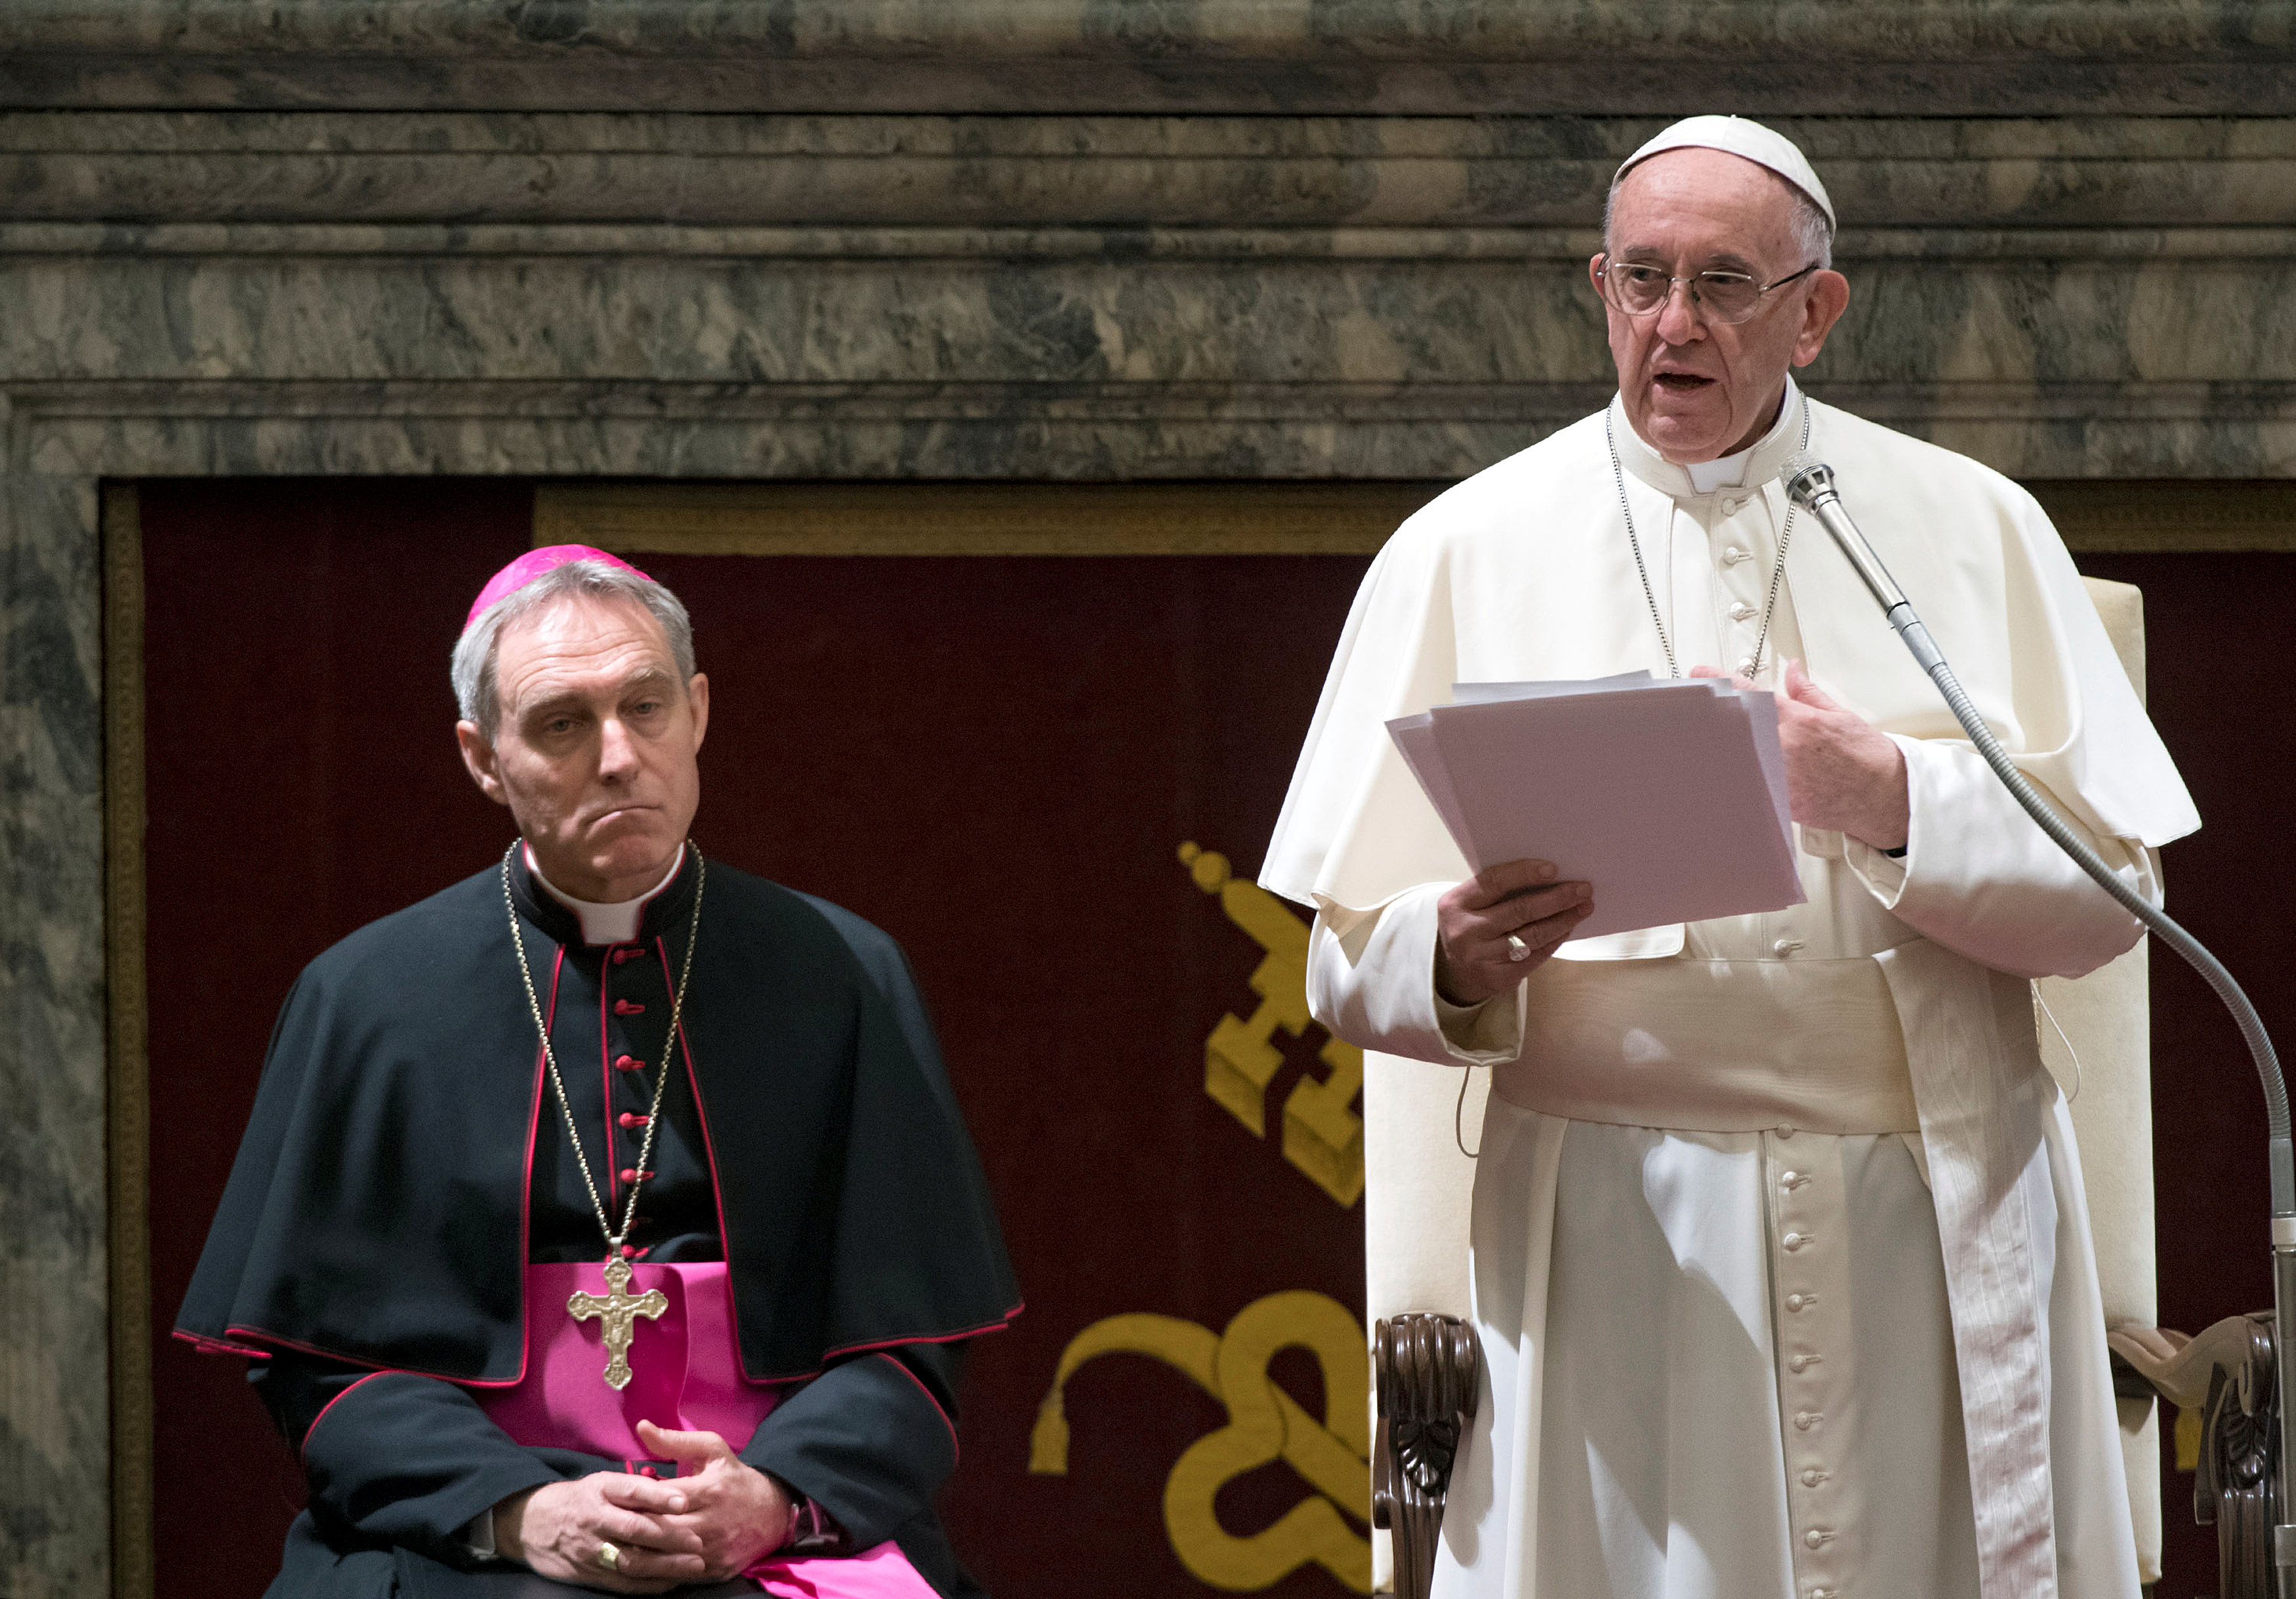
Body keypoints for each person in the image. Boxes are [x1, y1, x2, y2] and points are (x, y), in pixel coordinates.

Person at [1262, 116, 2198, 1599]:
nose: (1672, 324)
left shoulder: (1967, 527)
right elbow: (1339, 956)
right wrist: (1445, 958)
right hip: (1617, 1240)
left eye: (1721, 283)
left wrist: (1893, 796)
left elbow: (2112, 904)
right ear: (1599, 289)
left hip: (1929, 1216)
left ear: (1814, 312)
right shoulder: (1465, 548)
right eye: (1641, 280)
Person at [178, 546, 1019, 1597]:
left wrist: (772, 1495)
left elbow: (912, 1339)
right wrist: (519, 1511)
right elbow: (325, 1364)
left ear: (700, 712)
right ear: (483, 757)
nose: (619, 756)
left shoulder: (842, 973)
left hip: (774, 1526)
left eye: (647, 706)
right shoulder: (367, 999)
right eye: (563, 723)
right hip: (467, 1532)